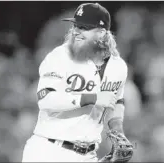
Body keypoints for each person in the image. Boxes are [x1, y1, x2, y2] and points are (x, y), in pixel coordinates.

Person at [22, 2, 133, 162]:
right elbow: (46, 100)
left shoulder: (118, 66)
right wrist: (91, 98)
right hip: (49, 150)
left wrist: (117, 131)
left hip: (88, 154)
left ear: (102, 33)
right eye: (76, 26)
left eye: (84, 28)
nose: (76, 32)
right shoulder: (59, 57)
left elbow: (116, 102)